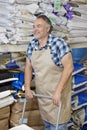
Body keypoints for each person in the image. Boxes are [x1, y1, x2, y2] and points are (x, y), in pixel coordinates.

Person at [24, 15, 74, 130]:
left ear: (48, 29)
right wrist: (27, 87)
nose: (35, 29)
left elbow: (69, 67)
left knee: (58, 125)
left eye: (39, 26)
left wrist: (58, 91)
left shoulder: (58, 44)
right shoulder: (32, 44)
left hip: (58, 97)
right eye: (34, 26)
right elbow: (28, 66)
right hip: (43, 97)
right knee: (47, 125)